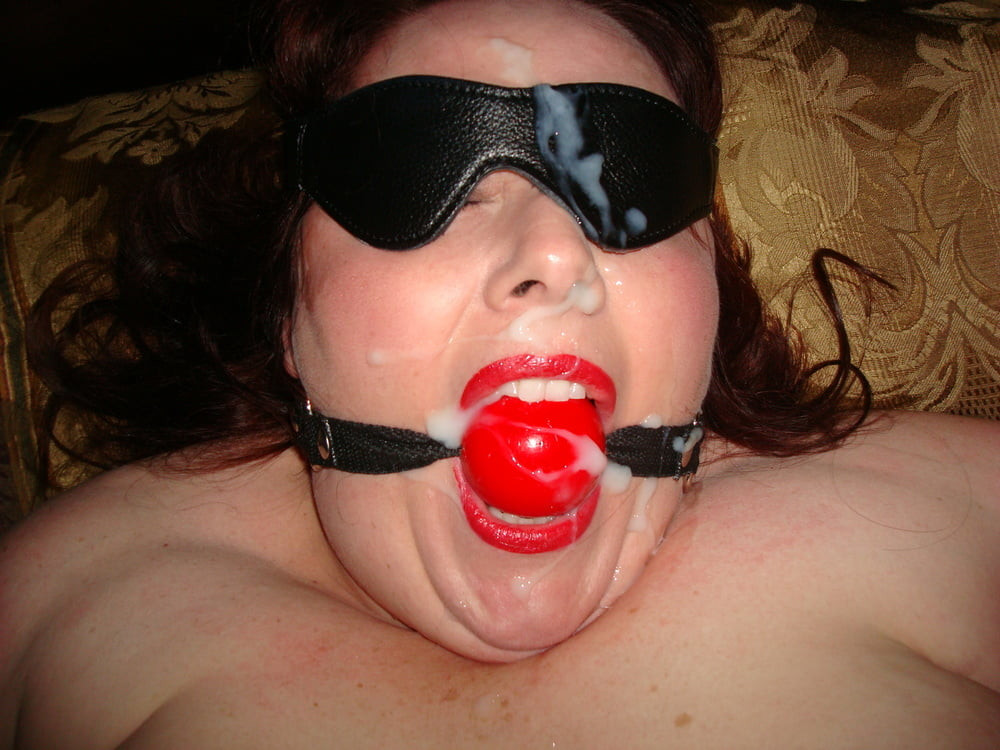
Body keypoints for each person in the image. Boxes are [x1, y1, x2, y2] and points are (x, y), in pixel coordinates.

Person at [2, 0, 999, 746]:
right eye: (417, 169)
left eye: (629, 179)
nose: (553, 256)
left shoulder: (954, 523)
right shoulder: (52, 610)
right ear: (287, 308)